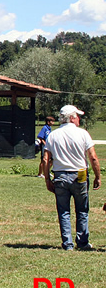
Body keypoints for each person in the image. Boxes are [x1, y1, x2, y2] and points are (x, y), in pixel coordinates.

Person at [43, 105, 101, 251]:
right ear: (72, 118)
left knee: (63, 211)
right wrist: (97, 176)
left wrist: (47, 179)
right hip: (80, 174)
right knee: (82, 209)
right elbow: (93, 157)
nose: (79, 119)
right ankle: (82, 242)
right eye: (77, 116)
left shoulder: (53, 135)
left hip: (60, 175)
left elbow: (45, 159)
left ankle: (67, 243)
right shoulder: (83, 134)